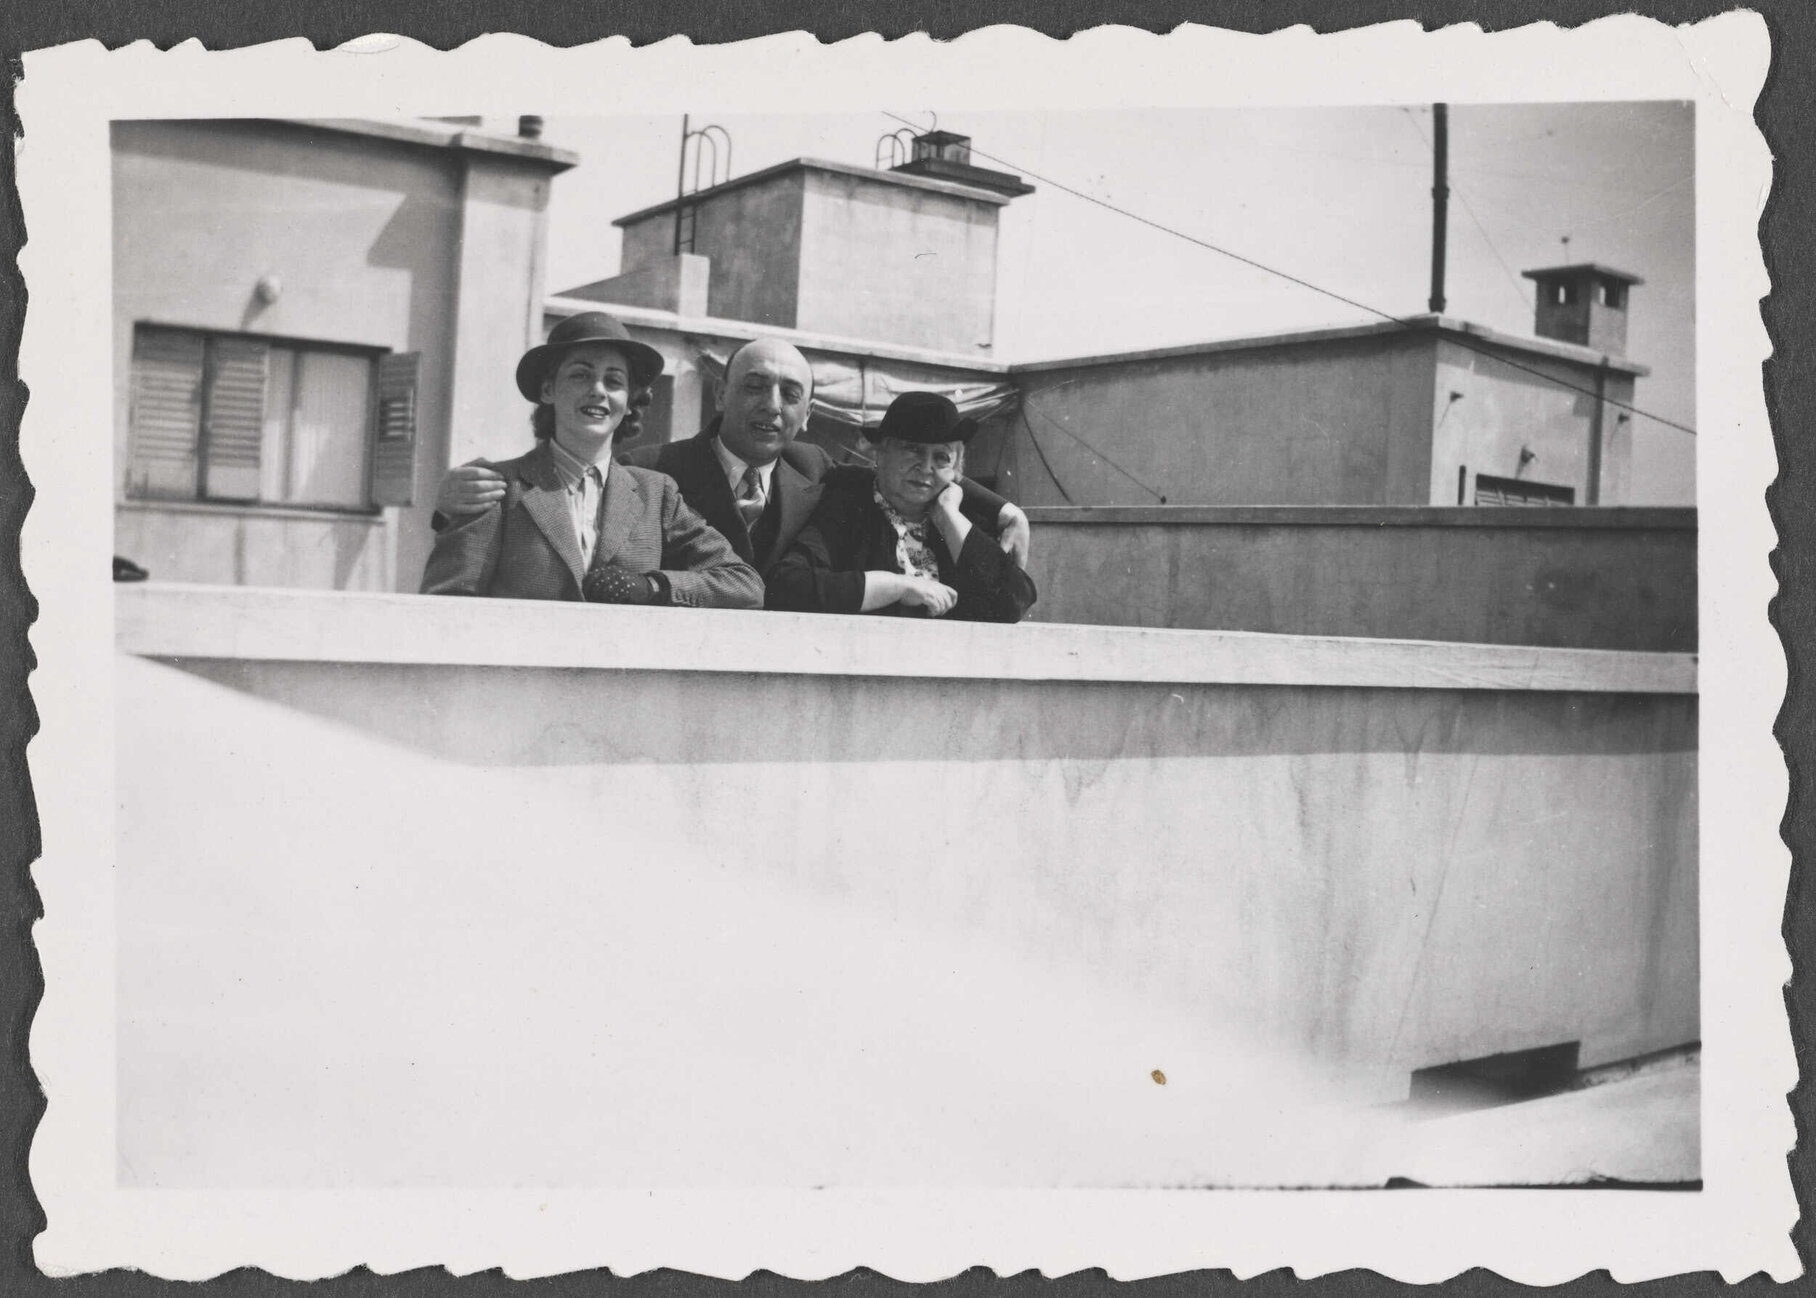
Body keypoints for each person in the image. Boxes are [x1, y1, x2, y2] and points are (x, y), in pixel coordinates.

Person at [432, 335, 1034, 580]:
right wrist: (448, 507)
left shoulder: (815, 469)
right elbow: (569, 494)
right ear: (721, 394)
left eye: (789, 395)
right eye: (754, 387)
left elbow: (904, 472)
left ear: (807, 412)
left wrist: (1003, 509)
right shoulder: (651, 471)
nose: (770, 406)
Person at [419, 311, 762, 609]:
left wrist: (652, 587)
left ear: (629, 402)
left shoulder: (656, 493)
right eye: (580, 375)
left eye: (614, 381)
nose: (598, 390)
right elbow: (447, 606)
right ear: (548, 390)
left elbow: (744, 585)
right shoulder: (497, 487)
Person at [766, 391, 1037, 623]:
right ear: (881, 453)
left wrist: (949, 517)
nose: (926, 467)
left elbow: (1011, 605)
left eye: (941, 457)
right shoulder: (848, 505)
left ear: (956, 470)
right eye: (913, 450)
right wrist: (897, 586)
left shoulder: (964, 518)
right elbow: (786, 585)